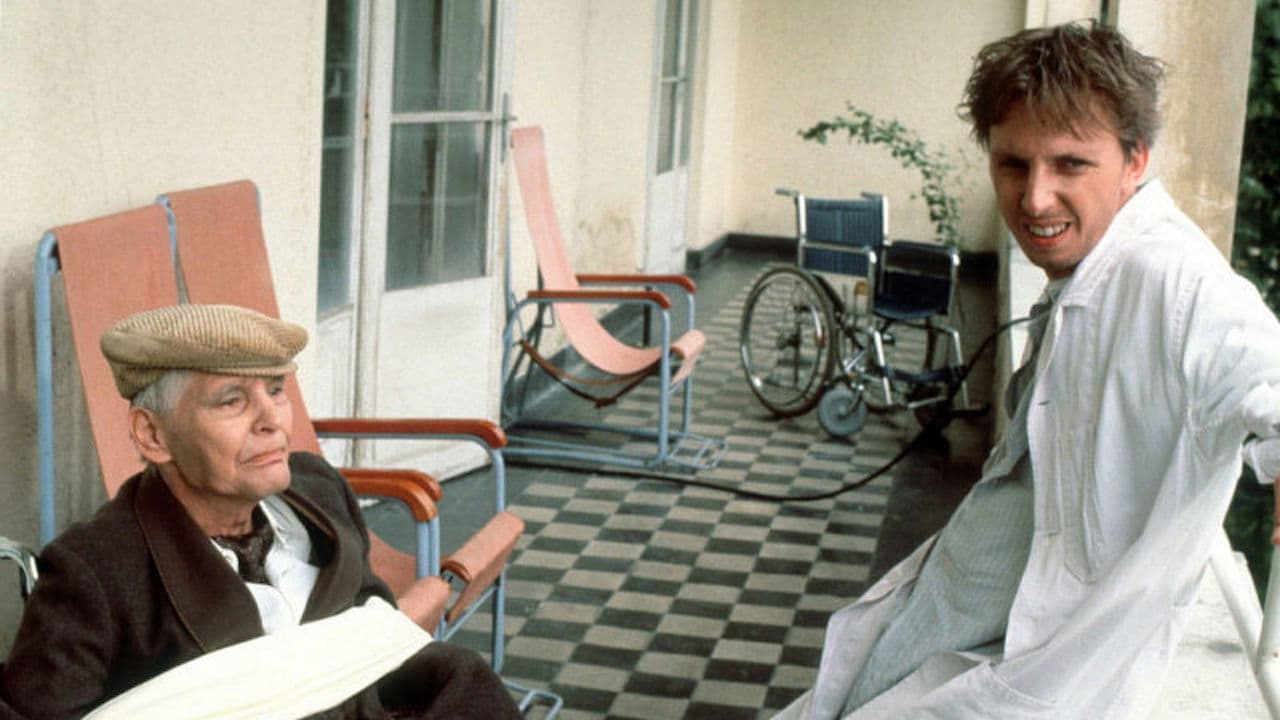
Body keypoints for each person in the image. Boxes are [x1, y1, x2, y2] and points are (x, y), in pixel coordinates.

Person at [775, 21, 1280, 720]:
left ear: (1135, 160)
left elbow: (1264, 372)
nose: (1035, 198)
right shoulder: (1089, 272)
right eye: (1013, 164)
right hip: (968, 613)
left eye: (1071, 164)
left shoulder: (1173, 277)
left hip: (1034, 664)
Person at [0, 303, 522, 719]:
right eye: (232, 401)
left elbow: (372, 639)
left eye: (276, 391)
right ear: (152, 434)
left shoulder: (319, 492)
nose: (272, 419)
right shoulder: (94, 571)